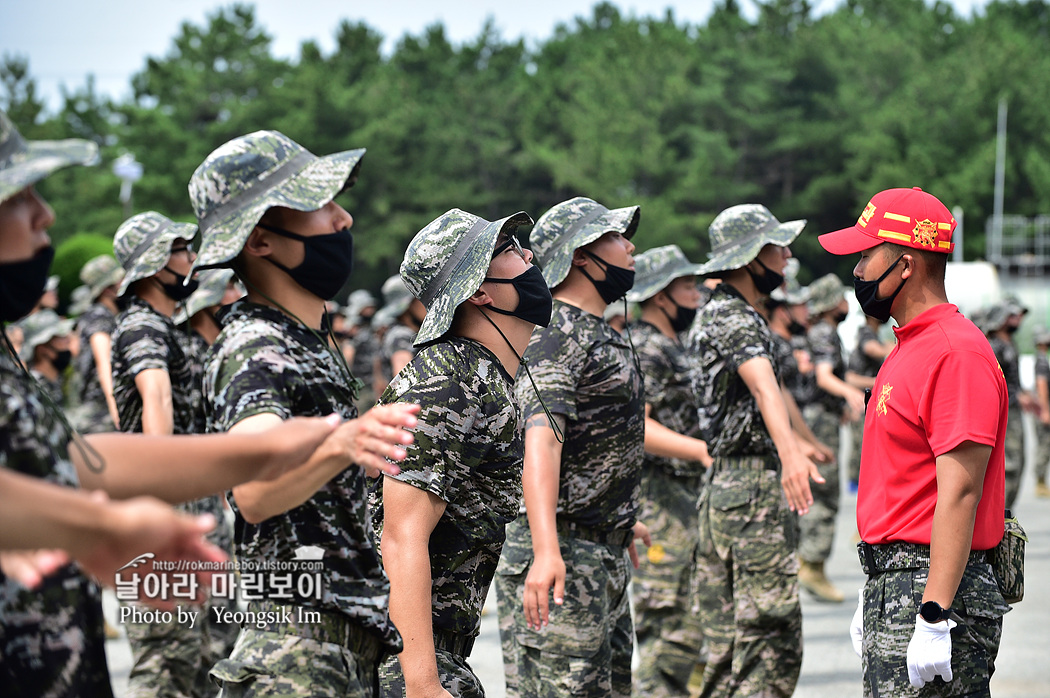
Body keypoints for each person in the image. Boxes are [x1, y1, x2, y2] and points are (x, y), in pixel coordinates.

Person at [0, 108, 382, 698]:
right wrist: (111, 521)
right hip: (245, 582)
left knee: (187, 661)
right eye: (17, 194)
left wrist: (264, 450)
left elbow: (70, 457)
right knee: (164, 666)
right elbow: (155, 413)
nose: (44, 213)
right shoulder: (156, 331)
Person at [188, 128, 419, 696]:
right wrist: (341, 444)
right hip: (294, 650)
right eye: (320, 206)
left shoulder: (305, 337)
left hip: (333, 644)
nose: (343, 220)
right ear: (261, 241)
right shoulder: (255, 345)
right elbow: (253, 492)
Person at [819, 186, 1010, 697]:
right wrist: (877, 585)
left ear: (905, 265)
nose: (857, 271)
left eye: (865, 255)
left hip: (932, 587)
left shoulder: (954, 353)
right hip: (898, 580)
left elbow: (960, 491)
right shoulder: (910, 346)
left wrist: (931, 613)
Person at [372, 208, 547, 698]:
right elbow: (401, 534)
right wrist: (424, 685)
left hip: (438, 650)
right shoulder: (447, 380)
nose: (528, 255)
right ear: (479, 290)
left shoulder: (483, 373)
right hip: (405, 660)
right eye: (509, 251)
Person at [494, 196, 647, 698]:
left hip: (595, 545)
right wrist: (545, 549)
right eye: (614, 237)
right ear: (581, 254)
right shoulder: (557, 332)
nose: (629, 246)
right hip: (563, 548)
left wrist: (615, 510)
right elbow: (543, 440)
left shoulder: (595, 330)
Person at [685, 203, 822, 698]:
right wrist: (790, 455)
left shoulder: (728, 312)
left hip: (735, 484)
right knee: (768, 640)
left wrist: (801, 444)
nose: (787, 256)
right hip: (749, 487)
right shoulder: (733, 316)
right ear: (747, 257)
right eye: (777, 247)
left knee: (735, 642)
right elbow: (764, 386)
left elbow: (772, 392)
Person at [622, 244, 712, 697]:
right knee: (668, 624)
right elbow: (637, 424)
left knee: (688, 623)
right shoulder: (645, 347)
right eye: (686, 286)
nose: (696, 294)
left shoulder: (675, 343)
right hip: (660, 498)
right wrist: (699, 450)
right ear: (661, 295)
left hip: (684, 498)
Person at [799, 272, 865, 602]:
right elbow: (825, 377)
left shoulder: (824, 331)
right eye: (839, 299)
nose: (845, 305)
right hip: (819, 421)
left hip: (822, 415)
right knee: (824, 491)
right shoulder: (825, 332)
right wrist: (849, 395)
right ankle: (811, 564)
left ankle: (813, 562)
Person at [986, 299, 1035, 509]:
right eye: (1014, 315)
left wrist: (1026, 396)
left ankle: (1006, 512)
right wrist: (1016, 396)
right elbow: (993, 382)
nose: (1018, 320)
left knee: (1019, 461)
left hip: (1015, 410)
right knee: (1010, 464)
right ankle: (1000, 514)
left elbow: (1014, 380)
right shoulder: (993, 346)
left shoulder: (1009, 344)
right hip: (1002, 412)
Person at [71, 254, 124, 432]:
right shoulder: (98, 316)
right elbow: (104, 362)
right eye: (119, 280)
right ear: (107, 289)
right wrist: (116, 408)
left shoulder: (111, 314)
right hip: (100, 412)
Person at [845, 314, 894, 489]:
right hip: (860, 402)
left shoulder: (873, 334)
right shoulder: (867, 333)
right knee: (862, 446)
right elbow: (870, 348)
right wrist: (892, 350)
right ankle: (857, 482)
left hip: (865, 401)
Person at [18, 308, 75, 403]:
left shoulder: (60, 379)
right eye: (61, 337)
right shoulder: (35, 390)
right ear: (43, 349)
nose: (68, 340)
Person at [378, 274, 425, 388]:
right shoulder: (400, 335)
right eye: (420, 298)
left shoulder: (411, 333)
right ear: (408, 305)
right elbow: (404, 382)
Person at [1034, 326, 1050, 498]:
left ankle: (1042, 481)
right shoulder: (1042, 360)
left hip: (1043, 408)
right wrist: (1045, 410)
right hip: (1044, 410)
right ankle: (1040, 482)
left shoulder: (1042, 358)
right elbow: (1041, 385)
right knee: (1044, 446)